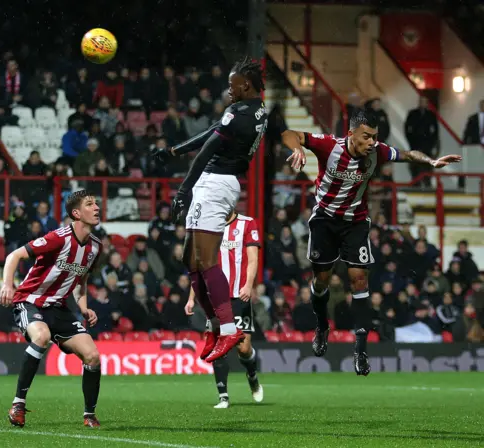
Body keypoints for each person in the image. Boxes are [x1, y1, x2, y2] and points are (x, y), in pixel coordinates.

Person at [281, 110, 461, 376]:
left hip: (355, 222)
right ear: (351, 133)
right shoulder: (329, 145)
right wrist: (297, 148)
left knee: (360, 280)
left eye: (375, 137)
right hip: (325, 220)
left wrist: (432, 162)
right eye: (366, 136)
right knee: (321, 282)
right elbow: (289, 134)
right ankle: (322, 326)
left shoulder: (378, 151)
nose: (371, 142)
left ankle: (361, 349)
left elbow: (409, 154)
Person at [151, 57, 267, 363]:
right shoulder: (254, 111)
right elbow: (213, 133)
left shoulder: (237, 112)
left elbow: (206, 151)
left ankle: (228, 329)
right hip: (220, 184)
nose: (228, 90)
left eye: (232, 85)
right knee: (190, 259)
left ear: (246, 85)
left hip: (214, 184)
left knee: (203, 259)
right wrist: (174, 150)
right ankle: (215, 328)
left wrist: (183, 190)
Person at [0, 190, 103, 428]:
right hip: (30, 301)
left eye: (96, 203)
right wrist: (7, 284)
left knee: (93, 357)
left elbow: (81, 281)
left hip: (59, 308)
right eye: (90, 204)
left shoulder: (96, 247)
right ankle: (18, 404)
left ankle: (89, 415)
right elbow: (14, 256)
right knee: (42, 336)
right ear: (76, 213)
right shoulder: (58, 237)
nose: (96, 208)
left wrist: (84, 308)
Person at [185, 211, 263, 408]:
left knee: (244, 348)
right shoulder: (208, 225)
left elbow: (253, 258)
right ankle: (223, 396)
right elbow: (199, 265)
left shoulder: (247, 223)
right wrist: (192, 298)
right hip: (215, 298)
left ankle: (252, 375)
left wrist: (248, 285)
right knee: (219, 346)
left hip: (239, 295)